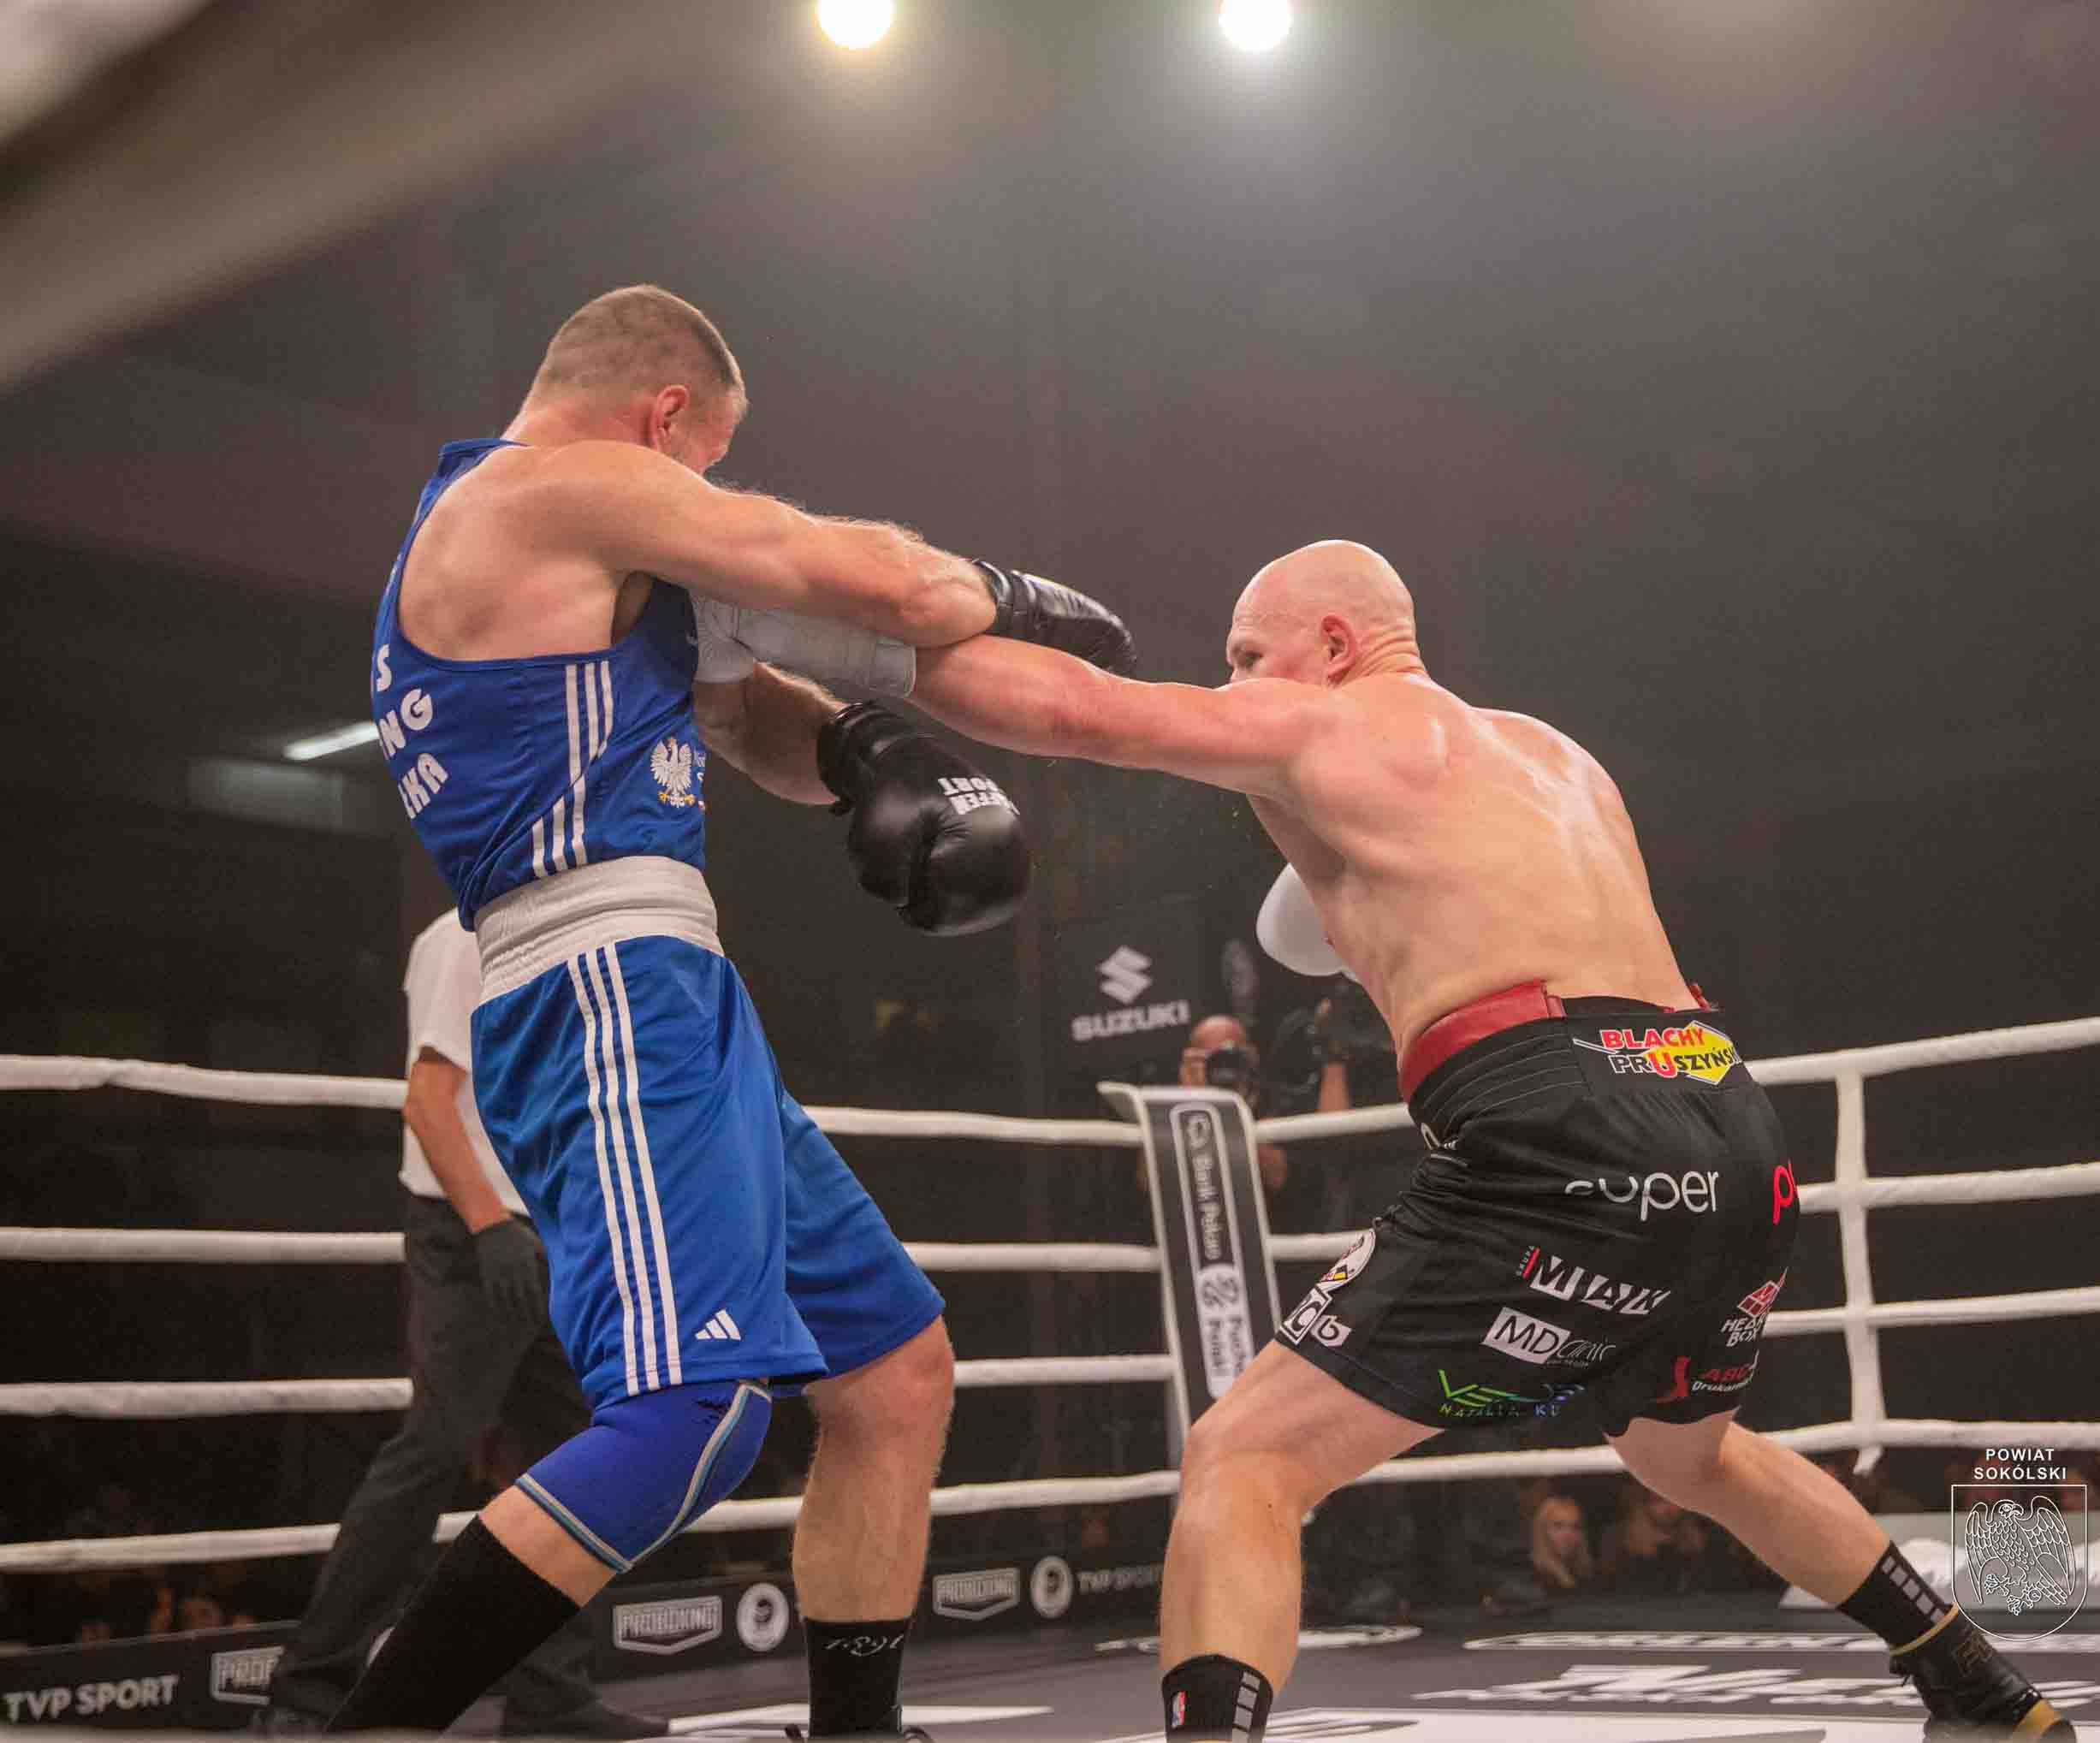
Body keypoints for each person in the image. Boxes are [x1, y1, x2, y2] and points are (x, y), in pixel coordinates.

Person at [901, 537, 2067, 1740]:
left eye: (1248, 655)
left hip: (1560, 1118)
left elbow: (1076, 713)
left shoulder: (1320, 724)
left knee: (1243, 1458)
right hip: (1722, 1110)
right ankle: (1978, 1686)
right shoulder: (1557, 756)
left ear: (1334, 644)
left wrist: (870, 645)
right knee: (1687, 1458)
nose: (1233, 680)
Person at [335, 284, 1131, 1734]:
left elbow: (746, 719)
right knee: (690, 1414)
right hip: (599, 978)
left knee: (891, 1373)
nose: (703, 492)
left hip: (667, 981)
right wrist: (999, 588)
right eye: (705, 462)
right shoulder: (545, 488)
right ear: (664, 418)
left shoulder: (572, 568)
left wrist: (872, 757)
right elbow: (853, 576)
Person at [259, 913, 656, 1737]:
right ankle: (307, 1689)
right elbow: (429, 1103)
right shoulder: (465, 938)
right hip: (479, 1233)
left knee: (574, 1459)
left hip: (549, 1229)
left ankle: (550, 1693)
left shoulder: (552, 934)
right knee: (435, 1447)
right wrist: (488, 1226)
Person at [1529, 1493, 1594, 1595]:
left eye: (1575, 1527)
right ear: (1542, 1530)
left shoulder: (1584, 1574)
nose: (1567, 1535)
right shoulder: (1529, 1575)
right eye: (1558, 1526)